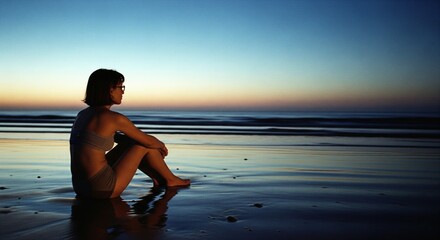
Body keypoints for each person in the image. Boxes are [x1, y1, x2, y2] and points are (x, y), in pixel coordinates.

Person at [70, 68, 190, 199]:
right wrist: (161, 145)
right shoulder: (113, 118)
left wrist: (148, 144)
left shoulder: (82, 115)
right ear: (110, 89)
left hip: (80, 187)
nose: (122, 92)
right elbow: (147, 141)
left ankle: (159, 178)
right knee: (142, 144)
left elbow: (121, 140)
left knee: (137, 142)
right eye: (120, 87)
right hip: (102, 189)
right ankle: (171, 180)